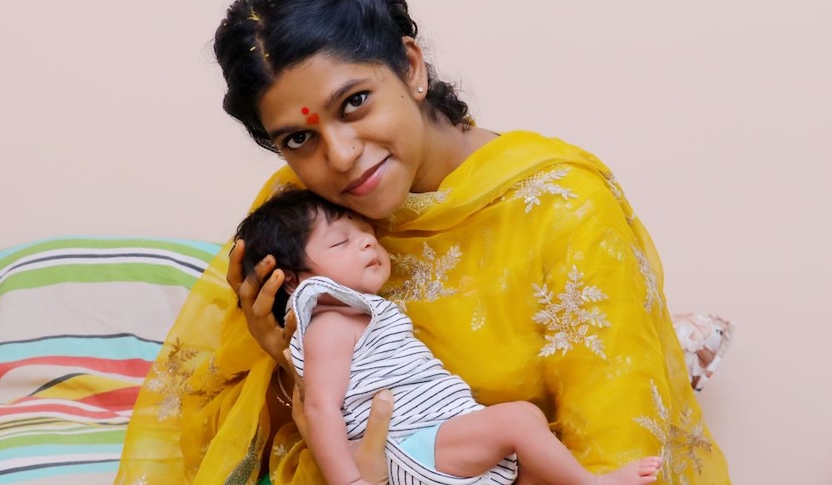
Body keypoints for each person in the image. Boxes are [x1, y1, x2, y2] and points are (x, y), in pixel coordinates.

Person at [116, 0, 732, 484]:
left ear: (410, 67)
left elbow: (616, 440)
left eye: (354, 103)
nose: (342, 155)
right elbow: (220, 431)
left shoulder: (562, 208)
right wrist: (282, 361)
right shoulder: (303, 211)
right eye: (298, 140)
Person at [235, 188, 663, 485]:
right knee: (516, 420)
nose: (367, 243)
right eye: (342, 241)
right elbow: (320, 406)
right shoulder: (328, 322)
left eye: (366, 233)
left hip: (431, 438)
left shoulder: (357, 312)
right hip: (405, 450)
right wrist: (348, 478)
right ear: (292, 280)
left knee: (529, 424)